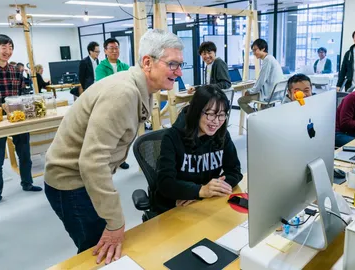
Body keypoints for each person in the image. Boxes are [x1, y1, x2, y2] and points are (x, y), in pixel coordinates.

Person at [44, 29, 184, 264]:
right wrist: (116, 222)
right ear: (147, 62)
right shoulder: (123, 93)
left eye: (180, 64)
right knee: (97, 251)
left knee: (100, 246)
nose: (179, 72)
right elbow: (92, 162)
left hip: (85, 178)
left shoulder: (141, 89)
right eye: (172, 64)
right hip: (71, 182)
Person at [0, 34, 42, 209]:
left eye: (10, 47)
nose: (8, 51)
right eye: (4, 47)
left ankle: (27, 183)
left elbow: (22, 94)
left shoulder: (16, 71)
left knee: (25, 155)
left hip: (17, 118)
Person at [155, 85, 242, 214]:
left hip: (206, 203)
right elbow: (165, 183)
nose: (216, 122)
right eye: (211, 114)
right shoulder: (173, 137)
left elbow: (234, 171)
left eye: (222, 115)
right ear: (196, 111)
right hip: (176, 205)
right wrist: (199, 191)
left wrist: (212, 189)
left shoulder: (221, 135)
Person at [94, 38, 131, 169]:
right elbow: (104, 85)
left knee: (123, 135)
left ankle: (121, 160)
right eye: (111, 48)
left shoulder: (124, 66)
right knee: (110, 135)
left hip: (123, 104)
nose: (115, 51)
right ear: (105, 51)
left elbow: (130, 82)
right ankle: (109, 160)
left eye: (116, 48)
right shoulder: (100, 68)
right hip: (108, 105)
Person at [238, 39, 284, 114]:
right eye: (253, 51)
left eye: (255, 50)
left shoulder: (267, 60)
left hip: (269, 95)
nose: (254, 53)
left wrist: (250, 91)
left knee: (241, 101)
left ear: (263, 48)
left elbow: (261, 80)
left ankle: (255, 117)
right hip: (275, 93)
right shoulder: (271, 58)